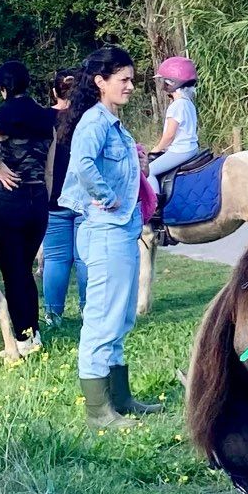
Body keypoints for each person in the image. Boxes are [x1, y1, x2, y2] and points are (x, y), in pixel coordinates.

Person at [59, 47, 163, 425]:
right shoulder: (95, 122)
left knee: (120, 318)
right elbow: (82, 164)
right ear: (100, 82)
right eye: (124, 79)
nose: (131, 86)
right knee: (103, 318)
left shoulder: (112, 122)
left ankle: (120, 398)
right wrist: (107, 197)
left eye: (132, 79)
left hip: (121, 230)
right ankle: (98, 410)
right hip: (105, 231)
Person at [0, 60, 56, 356]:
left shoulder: (0, 117)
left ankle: (23, 342)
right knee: (25, 270)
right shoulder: (47, 119)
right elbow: (48, 170)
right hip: (38, 200)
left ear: (3, 89)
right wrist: (43, 198)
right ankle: (31, 334)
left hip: (9, 199)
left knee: (14, 272)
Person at [42, 67, 87, 323]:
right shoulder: (87, 117)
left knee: (56, 258)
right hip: (83, 197)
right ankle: (87, 309)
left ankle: (53, 314)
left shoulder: (44, 119)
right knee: (84, 258)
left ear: (53, 91)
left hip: (53, 198)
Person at [145, 56, 202, 195]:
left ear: (172, 82)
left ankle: (155, 207)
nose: (163, 85)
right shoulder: (188, 103)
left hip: (180, 150)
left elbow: (169, 135)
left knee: (149, 171)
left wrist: (156, 149)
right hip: (191, 148)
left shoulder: (176, 105)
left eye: (164, 81)